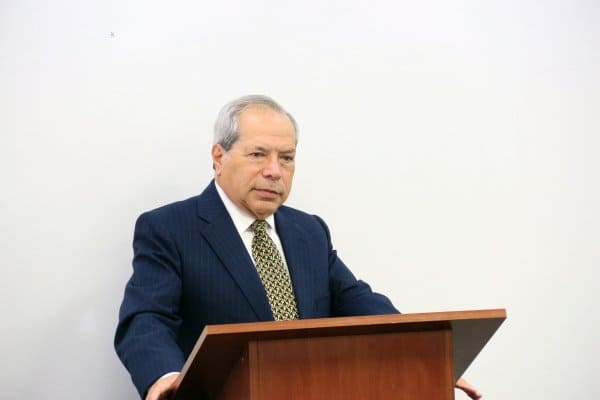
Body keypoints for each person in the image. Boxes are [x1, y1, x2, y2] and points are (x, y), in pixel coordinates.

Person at [115, 95, 482, 400]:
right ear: (218, 157)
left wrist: (426, 355)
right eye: (258, 155)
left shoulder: (309, 231)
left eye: (286, 158)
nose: (274, 171)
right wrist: (165, 375)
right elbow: (146, 318)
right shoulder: (169, 228)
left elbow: (356, 301)